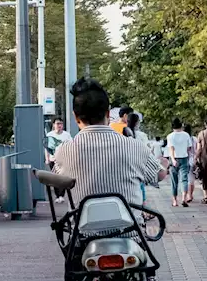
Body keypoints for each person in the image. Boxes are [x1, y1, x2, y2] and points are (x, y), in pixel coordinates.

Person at [51, 79, 166, 209]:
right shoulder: (135, 146)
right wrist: (164, 164)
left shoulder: (63, 150)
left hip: (83, 228)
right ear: (108, 113)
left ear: (75, 116)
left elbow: (58, 180)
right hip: (129, 227)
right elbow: (158, 175)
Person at [166, 118, 194, 207]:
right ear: (181, 125)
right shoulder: (186, 135)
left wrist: (173, 160)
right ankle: (184, 198)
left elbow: (171, 149)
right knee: (184, 179)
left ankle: (175, 201)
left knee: (174, 181)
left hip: (174, 159)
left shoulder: (170, 136)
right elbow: (189, 148)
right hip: (184, 158)